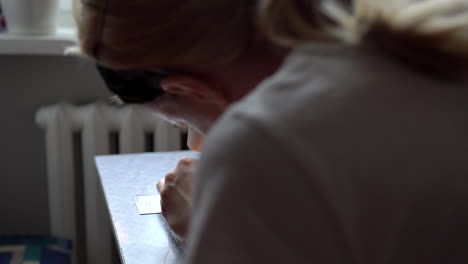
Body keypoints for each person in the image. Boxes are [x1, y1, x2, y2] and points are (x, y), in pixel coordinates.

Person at [74, 0, 468, 263]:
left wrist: (204, 227)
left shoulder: (263, 144)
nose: (196, 145)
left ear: (188, 88)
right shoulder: (411, 47)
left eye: (186, 123)